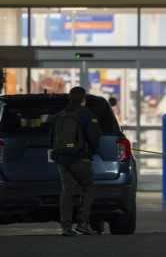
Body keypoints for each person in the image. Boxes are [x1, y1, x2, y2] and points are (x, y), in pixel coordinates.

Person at [49, 86, 102, 236]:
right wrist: (93, 151)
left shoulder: (59, 116)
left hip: (63, 160)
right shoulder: (87, 114)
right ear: (83, 99)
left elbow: (51, 138)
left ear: (70, 99)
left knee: (67, 192)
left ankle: (66, 226)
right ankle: (83, 222)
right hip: (81, 159)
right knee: (88, 188)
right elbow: (94, 137)